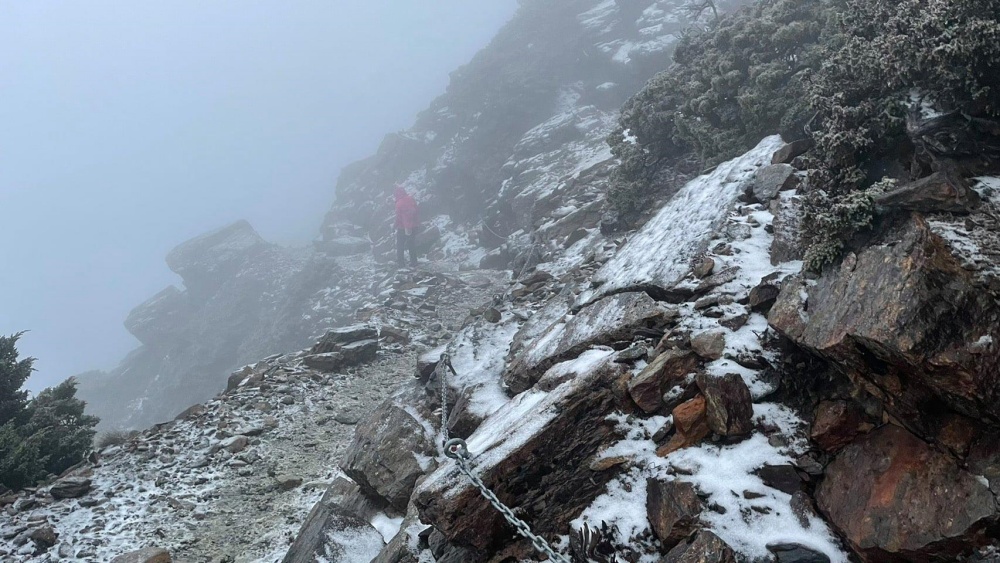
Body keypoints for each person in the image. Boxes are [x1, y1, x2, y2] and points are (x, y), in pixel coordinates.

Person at [393, 185, 419, 266]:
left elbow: (398, 217)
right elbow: (417, 211)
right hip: (413, 226)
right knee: (411, 244)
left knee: (400, 245)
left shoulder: (399, 203)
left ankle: (401, 263)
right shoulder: (411, 199)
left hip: (402, 227)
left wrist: (394, 226)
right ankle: (414, 262)